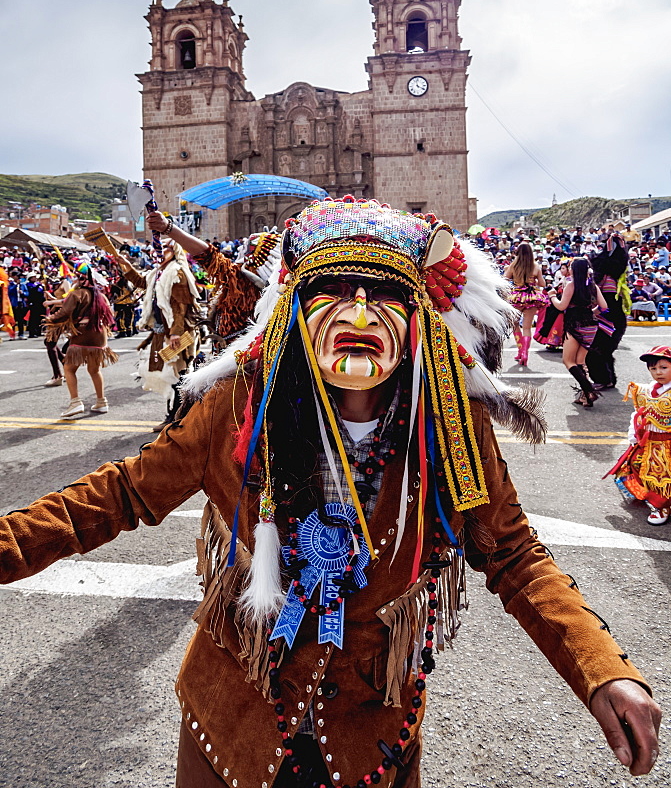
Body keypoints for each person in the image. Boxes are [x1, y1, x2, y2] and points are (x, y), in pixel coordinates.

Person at [0, 198, 661, 787]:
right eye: (334, 291)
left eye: (383, 295)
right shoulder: (237, 407)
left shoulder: (447, 423)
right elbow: (119, 494)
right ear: (294, 311)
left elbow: (511, 554)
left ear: (420, 324)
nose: (359, 311)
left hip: (371, 740)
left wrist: (600, 666)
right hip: (230, 729)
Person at [146, 211, 281, 353]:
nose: (240, 248)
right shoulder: (269, 289)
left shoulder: (241, 282)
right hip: (235, 355)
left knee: (167, 369)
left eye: (245, 246)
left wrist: (168, 228)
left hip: (233, 360)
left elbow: (209, 255)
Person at [122, 241, 201, 431]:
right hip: (163, 331)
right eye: (158, 248)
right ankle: (180, 414)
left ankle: (177, 416)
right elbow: (143, 283)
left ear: (174, 252)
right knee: (169, 374)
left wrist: (175, 333)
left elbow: (181, 306)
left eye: (165, 248)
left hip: (178, 333)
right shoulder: (159, 272)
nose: (159, 251)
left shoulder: (176, 272)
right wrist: (125, 265)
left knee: (178, 373)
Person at [605, 345, 671, 526]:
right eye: (653, 368)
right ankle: (660, 506)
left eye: (664, 367)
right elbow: (637, 414)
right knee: (645, 471)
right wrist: (633, 435)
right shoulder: (646, 390)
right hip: (649, 443)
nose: (658, 372)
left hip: (668, 443)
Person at [44, 262, 117, 418]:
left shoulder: (77, 294)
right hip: (99, 337)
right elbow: (110, 316)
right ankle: (101, 402)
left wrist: (50, 320)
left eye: (77, 278)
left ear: (80, 278)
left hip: (83, 336)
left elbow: (64, 313)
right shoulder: (101, 296)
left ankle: (75, 402)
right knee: (94, 369)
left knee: (69, 368)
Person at [547, 257, 608, 407]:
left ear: (573, 270)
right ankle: (585, 397)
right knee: (580, 361)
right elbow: (604, 306)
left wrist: (552, 296)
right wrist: (592, 311)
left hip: (575, 325)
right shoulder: (592, 286)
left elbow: (561, 306)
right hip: (591, 325)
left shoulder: (571, 285)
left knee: (568, 361)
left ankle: (589, 391)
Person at [586, 232, 630, 390]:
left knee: (596, 351)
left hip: (608, 322)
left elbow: (606, 306)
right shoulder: (615, 280)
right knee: (604, 352)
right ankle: (608, 379)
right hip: (615, 321)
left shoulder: (607, 283)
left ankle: (603, 379)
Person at [504, 242, 548, 366]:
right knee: (527, 328)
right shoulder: (535, 266)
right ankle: (525, 353)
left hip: (516, 297)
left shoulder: (513, 265)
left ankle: (520, 350)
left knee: (514, 324)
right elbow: (542, 284)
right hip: (531, 297)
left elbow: (505, 280)